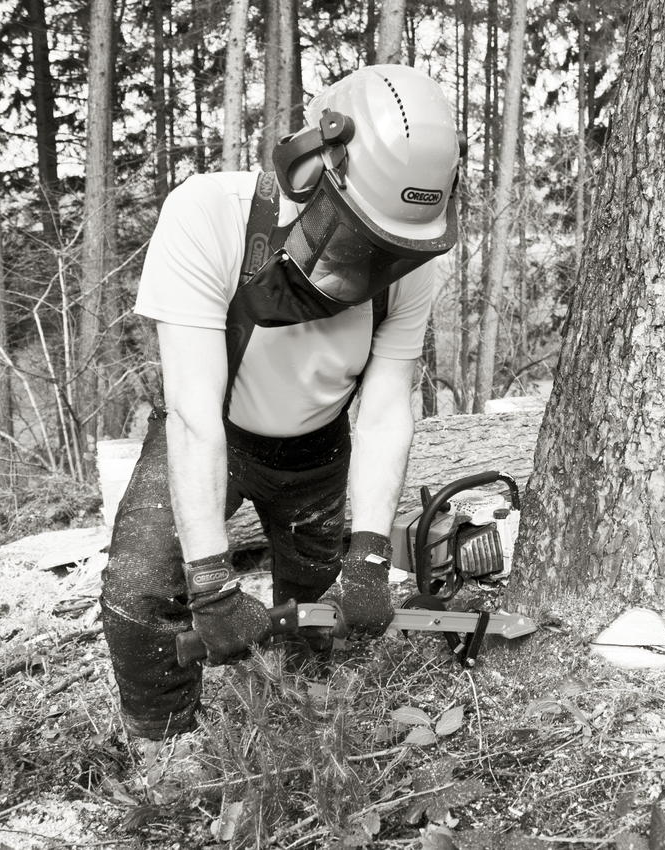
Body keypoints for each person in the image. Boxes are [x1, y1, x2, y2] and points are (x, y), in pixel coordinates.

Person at [99, 64, 463, 792]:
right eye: (362, 238)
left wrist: (367, 555)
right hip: (219, 436)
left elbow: (388, 402)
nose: (373, 266)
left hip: (319, 446)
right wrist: (209, 580)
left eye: (393, 249)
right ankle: (166, 756)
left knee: (317, 613)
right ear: (308, 166)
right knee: (138, 596)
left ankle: (302, 715)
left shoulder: (414, 259)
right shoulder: (210, 214)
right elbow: (193, 412)